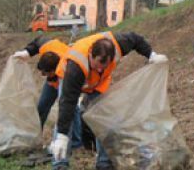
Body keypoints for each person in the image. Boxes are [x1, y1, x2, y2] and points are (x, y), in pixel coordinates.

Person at [50, 31, 167, 170]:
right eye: (98, 64)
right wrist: (62, 135)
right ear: (90, 54)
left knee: (106, 119)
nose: (100, 68)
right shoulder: (75, 67)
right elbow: (67, 103)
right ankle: (60, 163)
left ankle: (104, 163)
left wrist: (151, 55)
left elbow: (136, 39)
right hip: (70, 79)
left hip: (98, 83)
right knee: (66, 118)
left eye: (104, 66)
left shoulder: (120, 43)